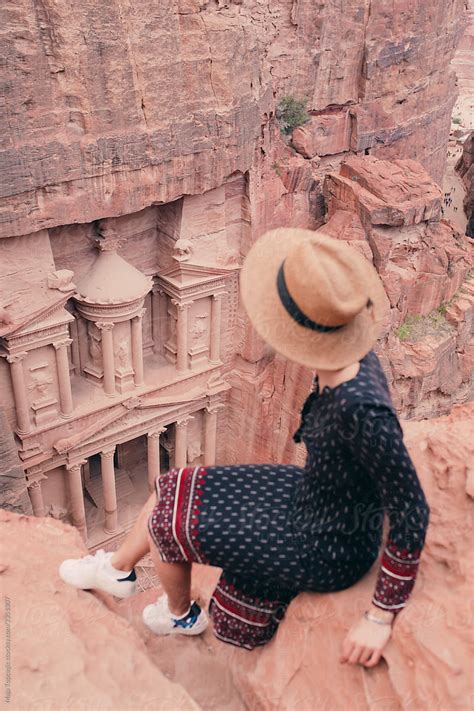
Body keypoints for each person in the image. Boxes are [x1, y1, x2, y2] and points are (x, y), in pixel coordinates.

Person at [59, 228, 430, 665]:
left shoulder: (363, 413)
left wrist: (380, 615)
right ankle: (118, 571)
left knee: (166, 525)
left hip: (326, 546)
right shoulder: (350, 358)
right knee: (172, 485)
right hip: (315, 499)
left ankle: (180, 615)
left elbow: (411, 510)